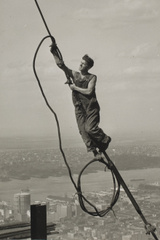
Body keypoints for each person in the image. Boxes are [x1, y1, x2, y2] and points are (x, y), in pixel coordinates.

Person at [50, 43, 111, 159]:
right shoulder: (75, 75)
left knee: (90, 129)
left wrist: (74, 88)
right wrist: (53, 52)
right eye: (81, 63)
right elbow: (61, 65)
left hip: (90, 107)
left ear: (88, 67)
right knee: (83, 131)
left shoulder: (92, 77)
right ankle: (95, 153)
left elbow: (89, 91)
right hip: (79, 107)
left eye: (83, 64)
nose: (80, 65)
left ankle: (105, 139)